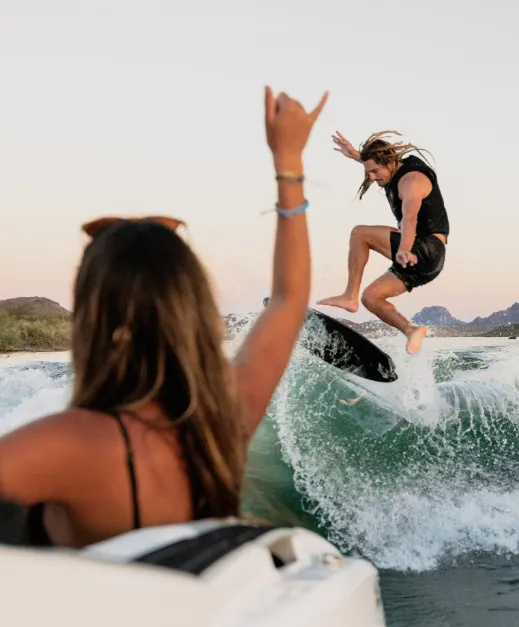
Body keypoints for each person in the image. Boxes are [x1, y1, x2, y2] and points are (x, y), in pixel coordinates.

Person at [0, 86, 327, 549]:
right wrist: (289, 161)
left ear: (95, 322)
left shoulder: (68, 444)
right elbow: (289, 299)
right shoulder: (221, 424)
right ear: (191, 310)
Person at [317, 131, 450, 355]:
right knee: (371, 298)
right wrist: (355, 155)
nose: (371, 177)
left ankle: (349, 296)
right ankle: (411, 330)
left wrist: (405, 249)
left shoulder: (411, 180)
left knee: (360, 234)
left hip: (425, 251)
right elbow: (377, 164)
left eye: (374, 172)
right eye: (368, 172)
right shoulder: (393, 166)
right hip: (428, 261)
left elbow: (409, 218)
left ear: (389, 162)